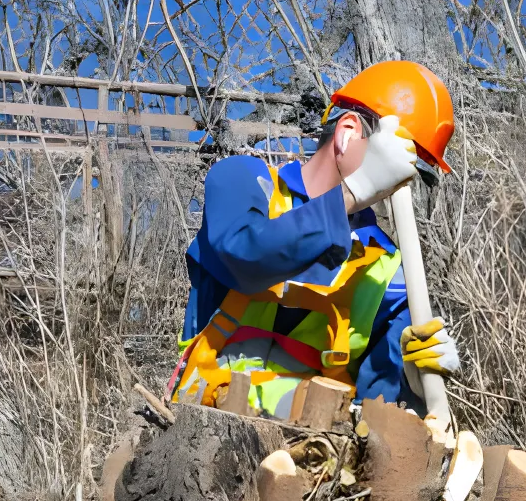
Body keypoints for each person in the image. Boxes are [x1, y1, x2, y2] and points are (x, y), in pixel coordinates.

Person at [171, 61, 460, 416]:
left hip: (313, 460)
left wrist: (410, 383)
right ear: (348, 132)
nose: (400, 179)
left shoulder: (390, 271)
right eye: (399, 158)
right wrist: (352, 193)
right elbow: (244, 256)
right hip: (200, 438)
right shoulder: (244, 182)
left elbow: (376, 411)